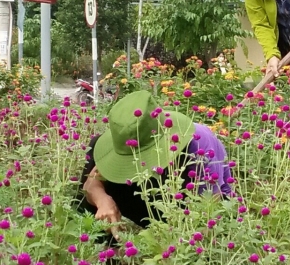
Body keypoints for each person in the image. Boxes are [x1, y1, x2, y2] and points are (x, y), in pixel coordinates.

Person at [80, 90, 232, 228]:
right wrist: (103, 201)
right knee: (95, 148)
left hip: (188, 206)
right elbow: (91, 184)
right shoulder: (122, 144)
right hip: (151, 195)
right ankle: (99, 237)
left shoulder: (198, 143)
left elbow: (208, 212)